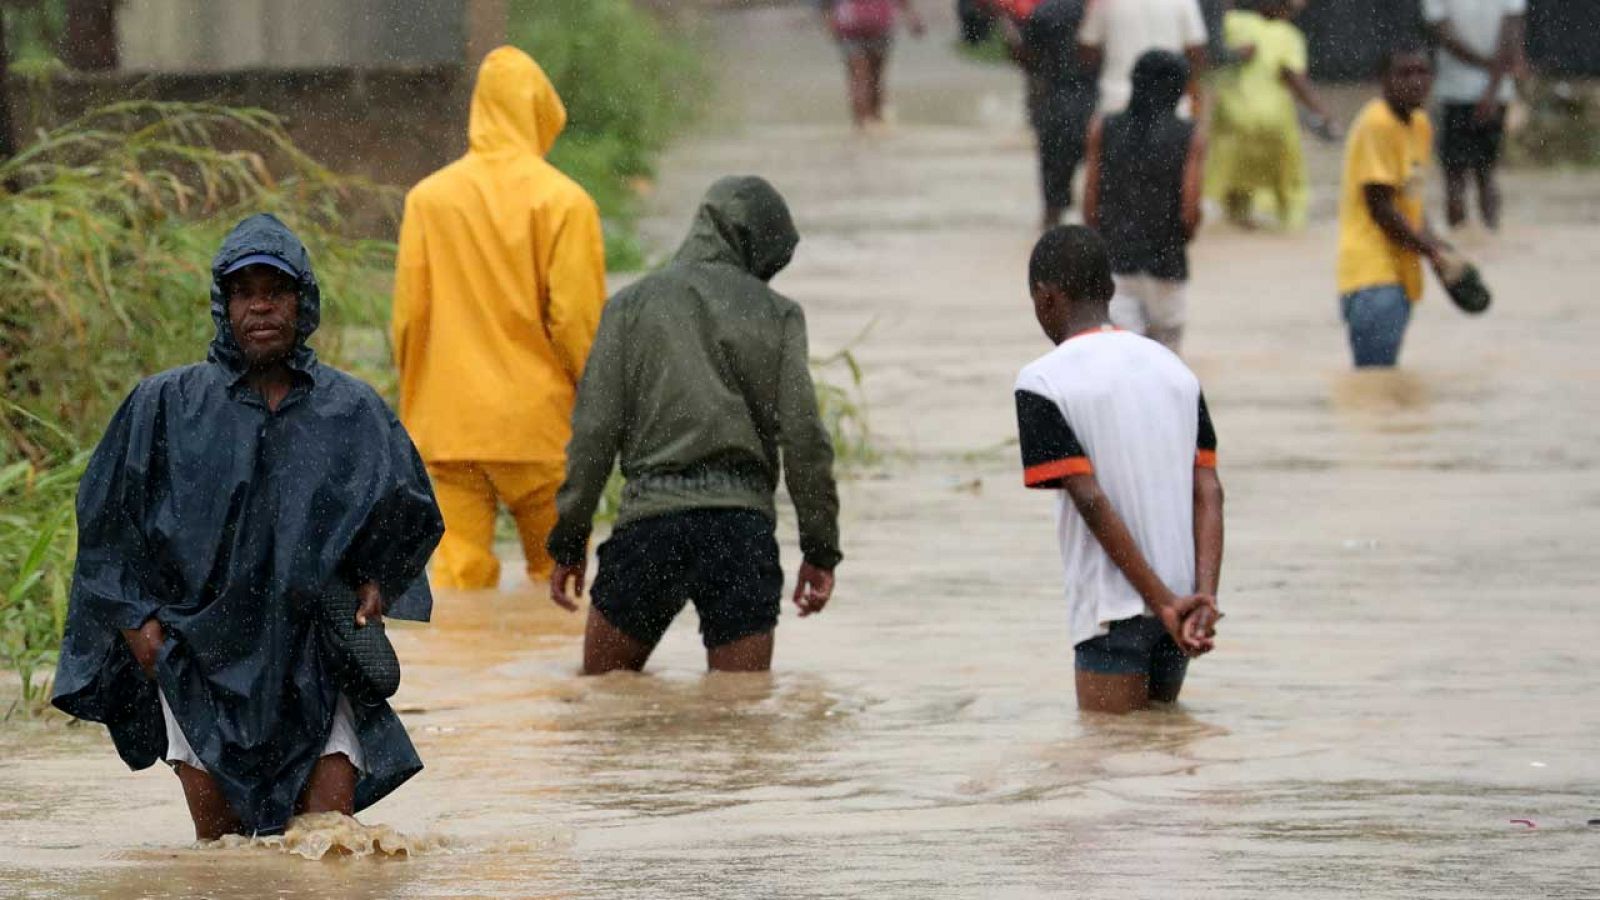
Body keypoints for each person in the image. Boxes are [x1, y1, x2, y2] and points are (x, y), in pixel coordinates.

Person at [51, 214, 444, 840]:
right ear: (223, 303)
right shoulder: (164, 406)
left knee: (330, 846)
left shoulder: (353, 410)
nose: (260, 306)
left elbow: (408, 512)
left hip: (314, 657)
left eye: (275, 290)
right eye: (243, 291)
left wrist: (380, 582)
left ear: (301, 301)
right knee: (224, 857)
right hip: (198, 657)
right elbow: (106, 527)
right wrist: (138, 630)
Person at [547, 176, 842, 675]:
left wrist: (569, 542)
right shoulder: (779, 314)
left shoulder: (629, 306)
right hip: (740, 535)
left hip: (648, 531)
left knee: (600, 710)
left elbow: (594, 434)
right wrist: (820, 549)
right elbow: (805, 439)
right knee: (740, 723)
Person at [392, 46, 606, 591]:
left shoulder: (427, 200)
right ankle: (551, 680)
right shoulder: (564, 202)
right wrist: (601, 405)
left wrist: (417, 408)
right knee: (559, 582)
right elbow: (576, 321)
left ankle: (470, 675)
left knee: (457, 585)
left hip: (448, 427)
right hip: (540, 428)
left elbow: (410, 318)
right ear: (539, 111)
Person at [1014, 225, 1223, 715]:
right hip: (1184, 606)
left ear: (1046, 300)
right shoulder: (1175, 370)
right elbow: (1208, 491)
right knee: (1161, 758)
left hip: (1113, 610)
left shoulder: (1043, 381)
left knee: (1110, 765)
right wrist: (1199, 600)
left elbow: (1088, 497)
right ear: (1109, 291)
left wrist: (1161, 601)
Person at [1084, 50, 1207, 352]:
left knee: (1123, 362)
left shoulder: (1104, 128)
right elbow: (1189, 213)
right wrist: (1178, 239)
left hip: (1116, 264)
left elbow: (1089, 204)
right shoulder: (1189, 136)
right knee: (1166, 361)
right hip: (1166, 266)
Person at [1336, 45, 1447, 368]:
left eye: (1422, 72)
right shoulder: (1377, 124)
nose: (1415, 81)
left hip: (1400, 276)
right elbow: (1381, 208)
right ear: (1383, 79)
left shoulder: (1420, 124)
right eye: (1404, 73)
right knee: (1375, 384)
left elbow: (1410, 200)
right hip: (1372, 278)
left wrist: (1440, 248)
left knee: (1382, 388)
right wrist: (1433, 252)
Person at [1206, 0, 1339, 230]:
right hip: (1275, 122)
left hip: (1233, 120)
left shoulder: (1234, 22)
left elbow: (1211, 53)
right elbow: (1296, 79)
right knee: (1289, 187)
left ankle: (1240, 225)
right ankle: (1291, 232)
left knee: (1235, 186)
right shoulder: (1289, 35)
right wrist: (1324, 114)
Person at [1423, 0, 1528, 231]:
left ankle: (1460, 242)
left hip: (1455, 90)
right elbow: (1512, 33)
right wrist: (1492, 85)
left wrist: (1486, 67)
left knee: (1455, 174)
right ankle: (1491, 236)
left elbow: (1443, 34)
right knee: (1486, 172)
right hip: (1494, 89)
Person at [1016, 0, 1099, 228]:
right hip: (1095, 104)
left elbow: (1027, 57)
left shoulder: (1043, 14)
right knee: (1102, 187)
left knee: (1053, 200)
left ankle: (1050, 251)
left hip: (1054, 104)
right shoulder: (1098, 11)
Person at [1077, 0, 1209, 115]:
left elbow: (1088, 52)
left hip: (1116, 101)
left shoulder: (1105, 3)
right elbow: (1196, 51)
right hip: (1170, 106)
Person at [819, 0, 927, 131]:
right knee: (870, 79)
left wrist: (828, 21)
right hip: (871, 23)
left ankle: (865, 123)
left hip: (858, 24)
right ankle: (870, 121)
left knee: (864, 79)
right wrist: (912, 18)